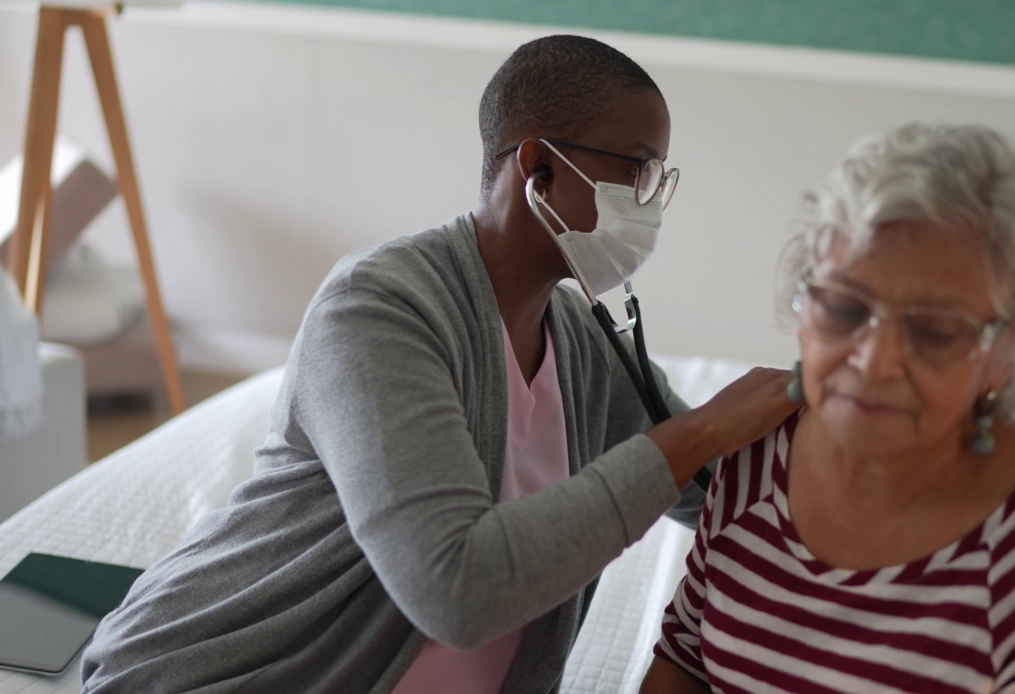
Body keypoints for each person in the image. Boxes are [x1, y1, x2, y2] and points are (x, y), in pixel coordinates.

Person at [80, 35, 798, 693]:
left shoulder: (580, 342)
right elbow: (455, 588)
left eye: (659, 178)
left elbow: (716, 481)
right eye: (638, 170)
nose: (649, 202)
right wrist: (696, 434)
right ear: (539, 170)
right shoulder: (376, 308)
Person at [642, 123, 1015, 693]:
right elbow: (686, 661)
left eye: (935, 332)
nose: (874, 361)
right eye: (843, 308)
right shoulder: (758, 451)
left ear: (1007, 352)